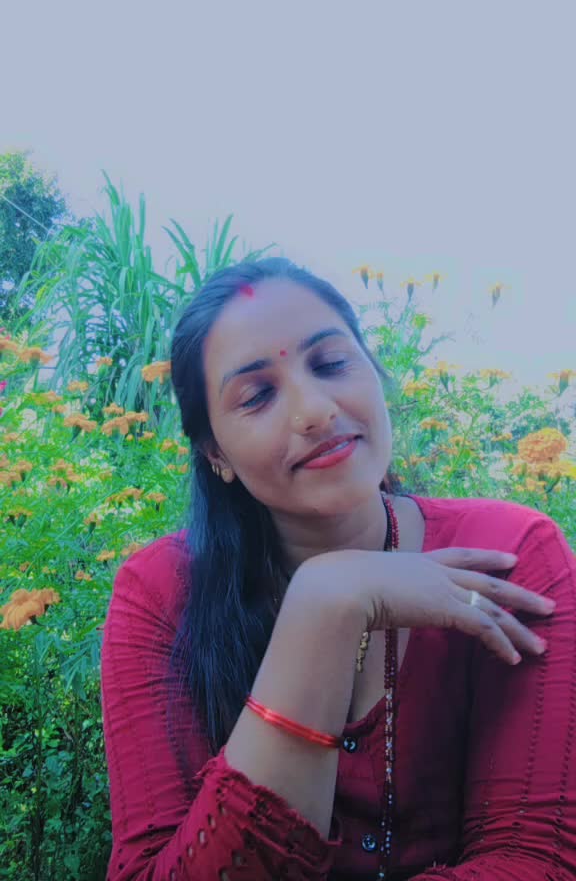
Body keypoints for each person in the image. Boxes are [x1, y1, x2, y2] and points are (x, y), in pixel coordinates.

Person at [100, 257, 576, 881]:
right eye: (257, 396)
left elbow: (536, 861)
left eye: (330, 364)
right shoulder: (160, 595)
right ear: (215, 452)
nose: (315, 410)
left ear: (374, 371)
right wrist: (324, 604)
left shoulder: (512, 554)